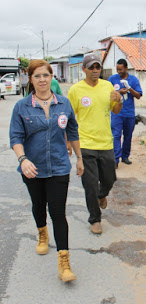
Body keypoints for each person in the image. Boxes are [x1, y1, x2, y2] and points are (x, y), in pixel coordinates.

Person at [9, 59, 84, 282]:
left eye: (46, 75)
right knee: (38, 205)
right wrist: (23, 159)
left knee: (58, 213)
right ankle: (42, 234)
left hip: (59, 166)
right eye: (37, 76)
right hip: (32, 168)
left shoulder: (64, 103)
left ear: (52, 77)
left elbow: (73, 132)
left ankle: (64, 262)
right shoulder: (21, 107)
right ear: (30, 79)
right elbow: (16, 137)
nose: (42, 80)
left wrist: (79, 158)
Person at [68, 54, 122, 234]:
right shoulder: (76, 90)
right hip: (85, 143)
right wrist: (69, 141)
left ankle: (102, 195)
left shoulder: (107, 86)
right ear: (84, 69)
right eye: (91, 67)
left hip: (106, 143)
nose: (95, 70)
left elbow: (115, 110)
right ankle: (95, 219)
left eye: (97, 67)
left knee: (109, 179)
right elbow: (69, 118)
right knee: (90, 184)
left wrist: (119, 100)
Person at [108, 59, 142, 168]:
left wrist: (129, 88)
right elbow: (107, 94)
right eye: (117, 69)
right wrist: (119, 92)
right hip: (116, 113)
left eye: (121, 69)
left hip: (129, 114)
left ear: (126, 68)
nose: (119, 71)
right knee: (116, 135)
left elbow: (138, 95)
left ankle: (125, 156)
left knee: (128, 136)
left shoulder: (133, 79)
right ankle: (115, 159)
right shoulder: (112, 79)